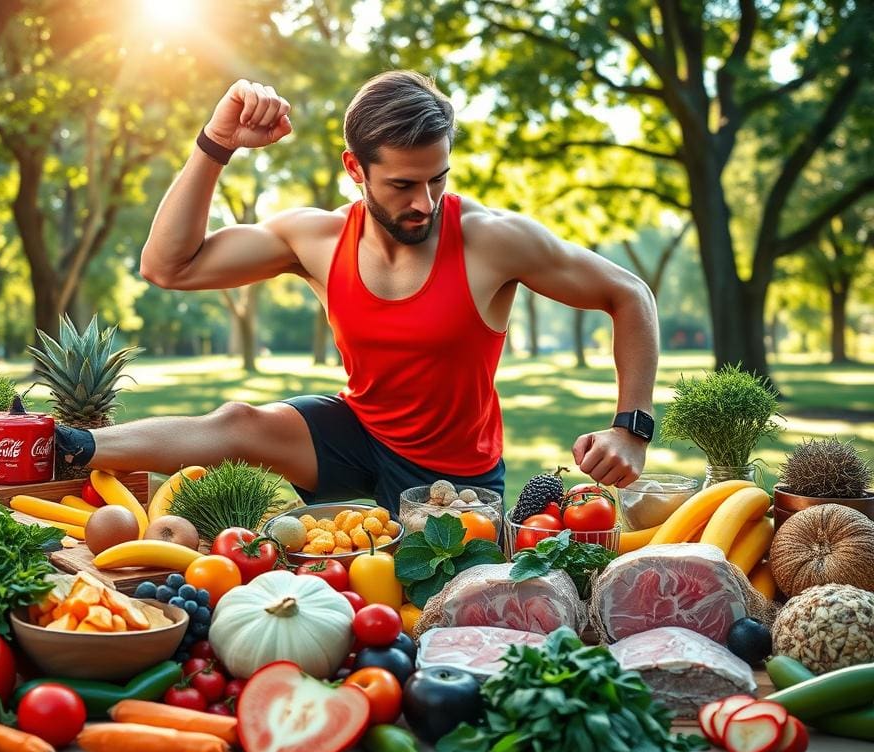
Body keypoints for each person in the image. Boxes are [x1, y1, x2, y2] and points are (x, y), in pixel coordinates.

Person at [56, 71, 659, 515]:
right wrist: (218, 142)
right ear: (355, 169)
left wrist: (631, 428)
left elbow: (629, 295)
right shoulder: (315, 239)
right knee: (239, 421)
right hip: (356, 431)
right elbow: (168, 266)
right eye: (402, 184)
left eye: (437, 179)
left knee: (431, 613)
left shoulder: (493, 241)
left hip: (456, 474)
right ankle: (70, 447)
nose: (423, 202)